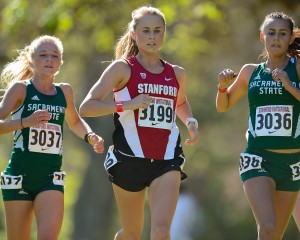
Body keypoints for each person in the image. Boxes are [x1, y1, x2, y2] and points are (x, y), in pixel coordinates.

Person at [79, 5, 199, 240]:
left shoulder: (177, 73)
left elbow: (181, 103)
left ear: (164, 33)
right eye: (146, 31)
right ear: (134, 34)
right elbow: (87, 107)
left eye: (157, 31)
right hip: (128, 159)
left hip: (167, 159)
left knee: (162, 231)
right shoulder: (122, 68)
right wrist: (126, 104)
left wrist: (191, 122)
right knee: (132, 233)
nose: (152, 36)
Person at [0, 35, 104, 240]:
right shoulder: (20, 89)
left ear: (60, 62)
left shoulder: (64, 92)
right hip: (19, 177)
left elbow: (74, 122)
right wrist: (25, 122)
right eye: (43, 55)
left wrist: (90, 136)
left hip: (50, 177)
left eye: (54, 56)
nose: (49, 59)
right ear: (31, 60)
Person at [216, 12, 300, 239]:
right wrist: (222, 87)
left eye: (282, 34)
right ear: (262, 36)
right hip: (258, 158)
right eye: (271, 33)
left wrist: (289, 85)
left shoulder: (297, 68)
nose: (276, 38)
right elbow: (223, 106)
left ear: (292, 38)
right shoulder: (249, 71)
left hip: (292, 164)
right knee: (268, 227)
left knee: (274, 236)